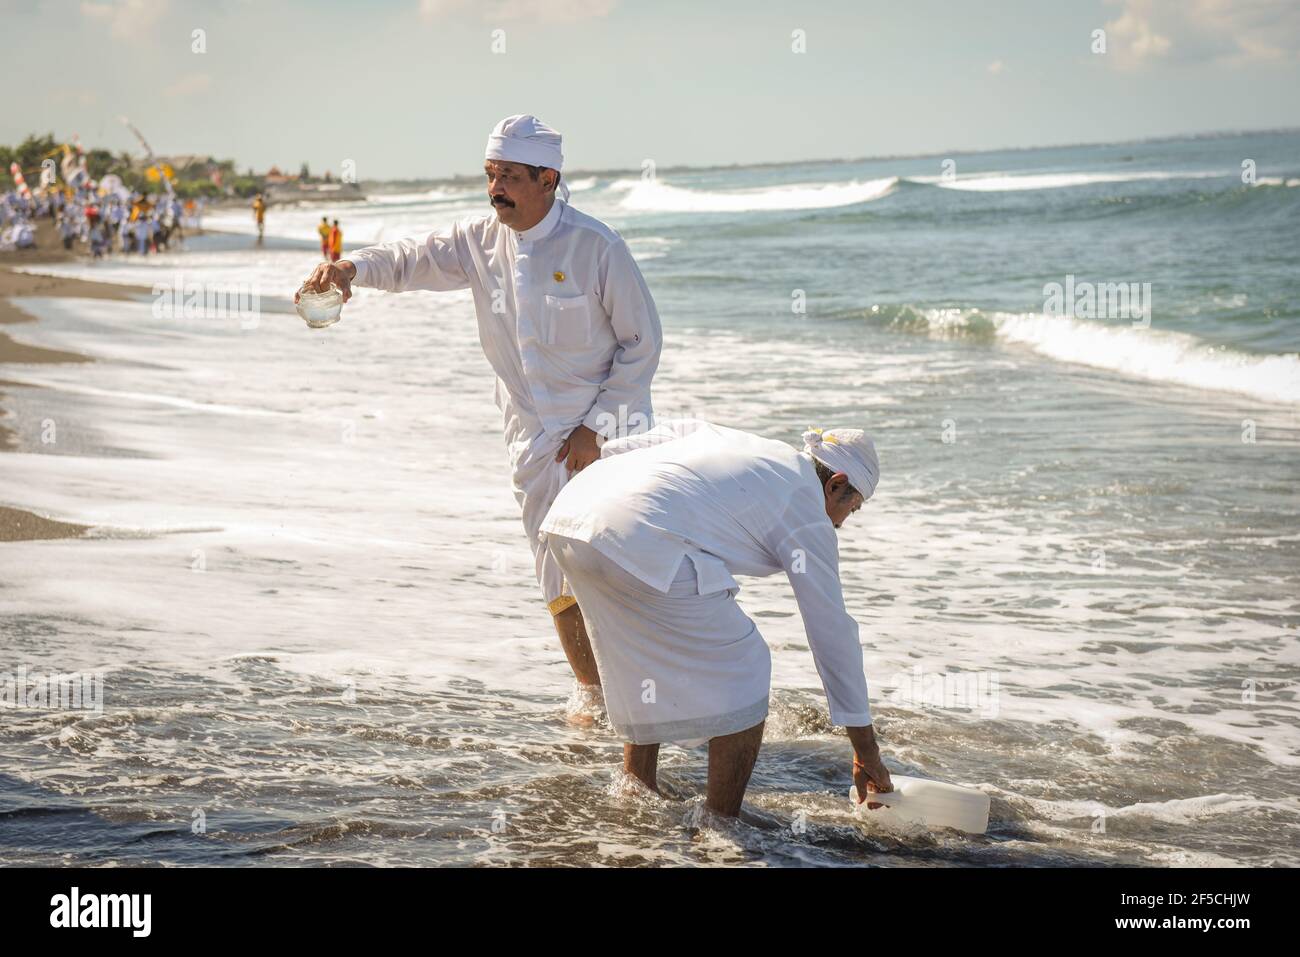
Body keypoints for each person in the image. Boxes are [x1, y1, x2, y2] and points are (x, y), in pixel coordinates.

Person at [296, 115, 662, 707]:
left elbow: (641, 343)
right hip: (533, 442)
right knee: (555, 569)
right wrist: (349, 268)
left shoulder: (598, 247)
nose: (496, 189)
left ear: (548, 178)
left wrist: (597, 427)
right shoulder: (478, 241)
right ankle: (593, 698)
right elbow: (410, 259)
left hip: (608, 438)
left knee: (619, 567)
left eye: (510, 177)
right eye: (490, 175)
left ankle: (658, 695)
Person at [540, 419, 893, 817]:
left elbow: (623, 448)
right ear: (835, 483)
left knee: (643, 662)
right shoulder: (808, 509)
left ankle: (635, 793)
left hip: (569, 521)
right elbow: (832, 632)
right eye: (851, 506)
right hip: (632, 540)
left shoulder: (736, 441)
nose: (841, 523)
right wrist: (866, 751)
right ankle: (721, 824)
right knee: (747, 668)